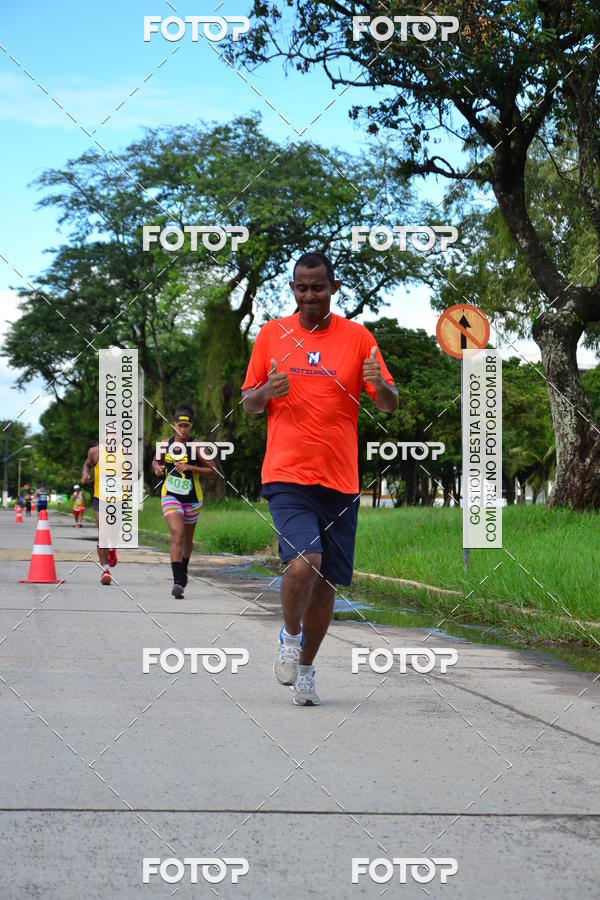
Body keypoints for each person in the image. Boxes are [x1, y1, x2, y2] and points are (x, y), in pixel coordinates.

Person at [241, 251, 398, 706]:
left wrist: (381, 385)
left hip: (340, 479)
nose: (309, 295)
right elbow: (249, 403)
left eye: (318, 287)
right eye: (301, 287)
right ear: (292, 289)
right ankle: (289, 638)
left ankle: (306, 669)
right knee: (304, 560)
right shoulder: (271, 334)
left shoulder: (358, 337)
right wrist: (265, 392)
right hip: (287, 473)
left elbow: (388, 402)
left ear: (333, 288)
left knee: (326, 581)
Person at [152, 405, 217, 598]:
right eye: (179, 425)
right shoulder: (165, 444)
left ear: (191, 426)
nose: (182, 429)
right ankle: (177, 582)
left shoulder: (197, 447)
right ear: (173, 425)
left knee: (187, 539)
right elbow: (157, 462)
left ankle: (184, 569)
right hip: (170, 495)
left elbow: (213, 472)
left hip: (193, 499)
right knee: (177, 534)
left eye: (186, 426)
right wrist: (157, 467)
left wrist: (190, 467)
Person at [81, 441, 118, 585]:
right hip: (100, 498)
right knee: (103, 532)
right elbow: (87, 465)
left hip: (119, 499)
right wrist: (85, 474)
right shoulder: (95, 452)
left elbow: (136, 473)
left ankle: (112, 547)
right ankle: (105, 569)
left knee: (114, 532)